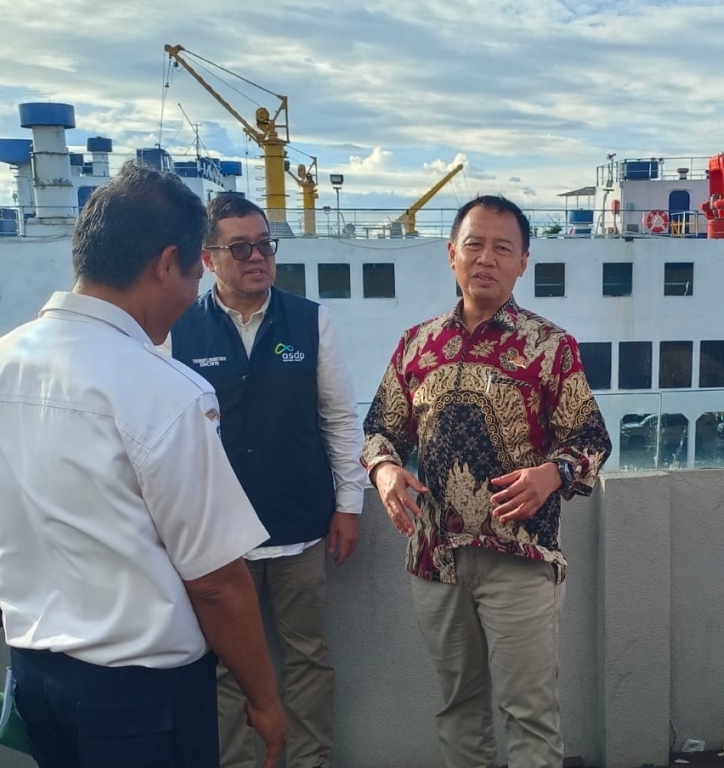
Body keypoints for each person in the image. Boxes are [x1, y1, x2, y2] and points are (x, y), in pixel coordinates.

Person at [0, 161, 287, 768]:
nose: (192, 295)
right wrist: (264, 699)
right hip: (140, 698)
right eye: (195, 273)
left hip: (33, 676)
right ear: (167, 264)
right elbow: (215, 581)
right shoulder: (162, 390)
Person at [363, 194, 611, 768]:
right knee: (458, 707)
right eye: (474, 244)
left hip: (520, 557)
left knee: (530, 713)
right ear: (452, 253)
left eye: (503, 248)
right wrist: (384, 469)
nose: (486, 258)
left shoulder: (550, 346)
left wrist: (553, 473)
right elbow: (380, 429)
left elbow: (592, 440)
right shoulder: (416, 345)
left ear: (523, 262)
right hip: (435, 558)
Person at [165, 194, 364, 768]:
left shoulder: (310, 321)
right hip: (217, 537)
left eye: (264, 245)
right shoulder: (178, 330)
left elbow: (338, 418)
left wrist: (348, 505)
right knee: (223, 666)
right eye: (240, 247)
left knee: (308, 658)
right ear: (208, 258)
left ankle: (310, 762)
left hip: (301, 527)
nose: (257, 257)